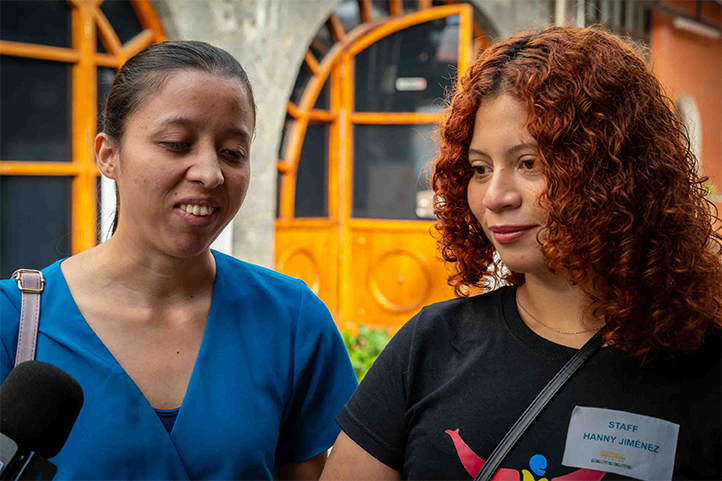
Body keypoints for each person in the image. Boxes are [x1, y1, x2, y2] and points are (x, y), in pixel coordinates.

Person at [321, 25, 721, 481]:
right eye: (479, 168)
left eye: (528, 163)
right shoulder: (430, 346)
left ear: (616, 171)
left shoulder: (707, 372)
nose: (495, 196)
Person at [0, 40, 357, 480]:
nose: (210, 173)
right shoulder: (15, 324)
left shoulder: (291, 320)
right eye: (176, 143)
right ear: (107, 154)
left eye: (232, 152)